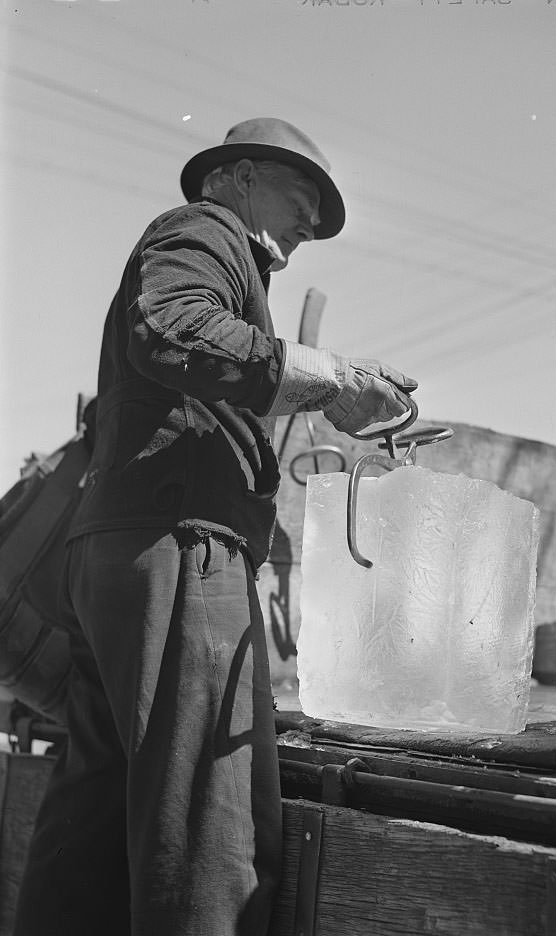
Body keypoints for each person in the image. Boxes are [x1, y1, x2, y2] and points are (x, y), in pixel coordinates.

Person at [13, 117, 417, 936]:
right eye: (303, 196)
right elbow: (169, 326)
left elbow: (200, 350)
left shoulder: (228, 265)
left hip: (126, 554)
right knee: (209, 822)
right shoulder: (204, 230)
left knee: (93, 819)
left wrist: (328, 387)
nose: (311, 223)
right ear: (234, 176)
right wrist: (328, 377)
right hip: (177, 548)